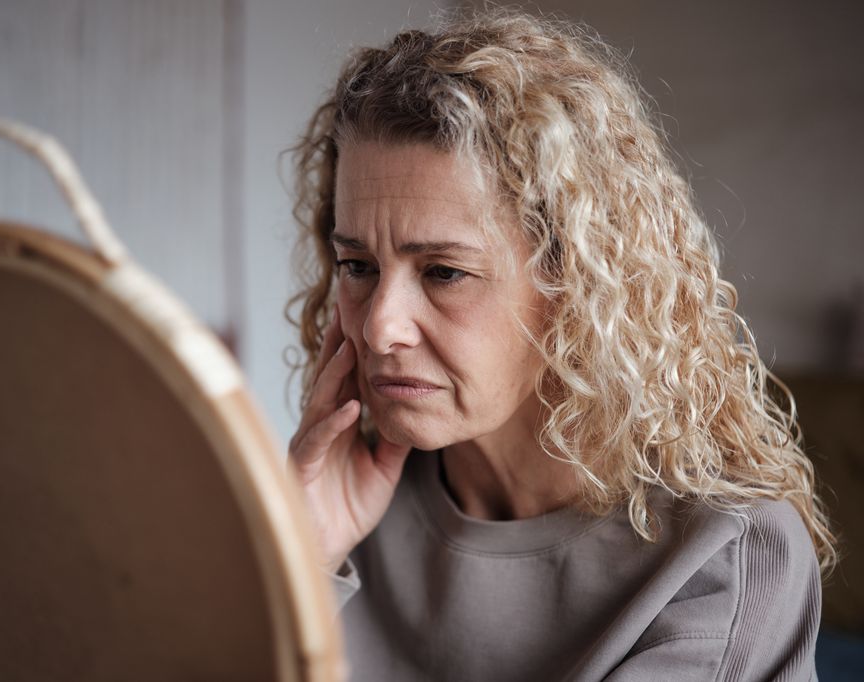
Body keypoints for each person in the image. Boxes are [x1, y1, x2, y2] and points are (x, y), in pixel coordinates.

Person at [285, 10, 836, 681]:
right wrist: (298, 557)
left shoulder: (722, 555)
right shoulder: (340, 508)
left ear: (576, 280)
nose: (378, 328)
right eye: (358, 267)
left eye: (444, 272)